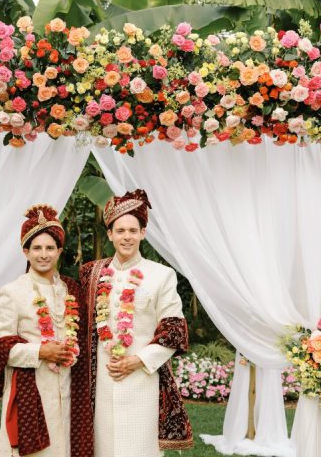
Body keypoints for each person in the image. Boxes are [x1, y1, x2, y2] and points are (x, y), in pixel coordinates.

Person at [80, 189, 193, 457]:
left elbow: (173, 329)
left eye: (133, 230)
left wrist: (138, 361)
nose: (126, 236)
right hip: (102, 380)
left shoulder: (161, 275)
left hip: (143, 377)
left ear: (143, 232)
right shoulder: (91, 273)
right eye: (120, 231)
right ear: (110, 234)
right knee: (103, 447)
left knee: (139, 448)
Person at [0, 204, 93, 457]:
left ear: (59, 251)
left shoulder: (70, 290)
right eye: (37, 248)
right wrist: (41, 351)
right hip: (31, 391)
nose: (44, 254)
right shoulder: (12, 292)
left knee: (64, 447)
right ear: (26, 252)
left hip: (68, 388)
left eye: (50, 248)